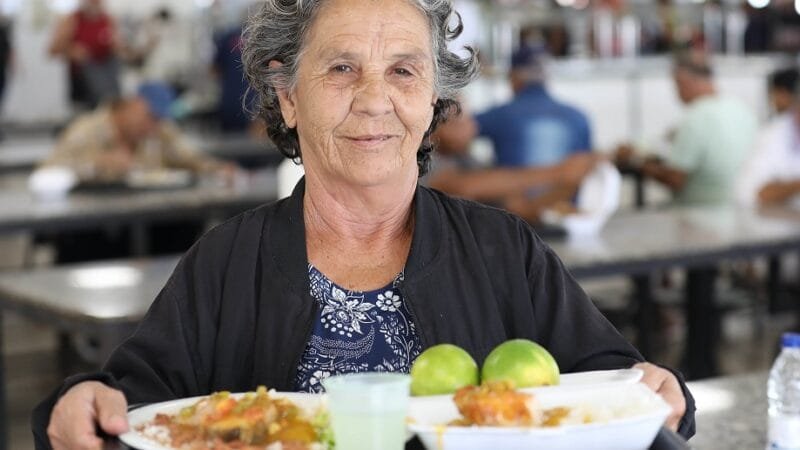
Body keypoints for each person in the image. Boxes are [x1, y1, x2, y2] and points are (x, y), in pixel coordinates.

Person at [35, 0, 695, 448]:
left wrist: (666, 393)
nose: (375, 99)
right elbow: (128, 406)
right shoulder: (226, 261)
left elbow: (615, 389)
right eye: (342, 67)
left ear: (432, 98)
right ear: (289, 98)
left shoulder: (502, 251)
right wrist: (79, 401)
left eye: (403, 70)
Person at [616, 52, 757, 206]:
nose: (677, 93)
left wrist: (635, 161)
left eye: (677, 85)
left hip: (699, 210)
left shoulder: (696, 118)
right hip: (740, 205)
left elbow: (675, 180)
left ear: (687, 81)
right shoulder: (741, 109)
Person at [438, 43, 592, 168]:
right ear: (546, 77)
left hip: (510, 202)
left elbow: (454, 134)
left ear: (513, 77)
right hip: (565, 204)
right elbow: (585, 166)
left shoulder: (500, 115)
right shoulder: (579, 117)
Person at [40, 84, 232, 183]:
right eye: (149, 117)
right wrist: (96, 164)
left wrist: (219, 169)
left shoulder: (160, 130)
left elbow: (190, 158)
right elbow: (48, 172)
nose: (152, 127)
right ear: (132, 103)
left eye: (158, 120)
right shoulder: (87, 130)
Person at [48, 0, 127, 109]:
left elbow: (119, 47)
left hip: (106, 76)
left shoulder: (108, 19)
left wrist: (117, 46)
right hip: (83, 81)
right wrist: (72, 51)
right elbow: (52, 50)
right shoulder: (72, 20)